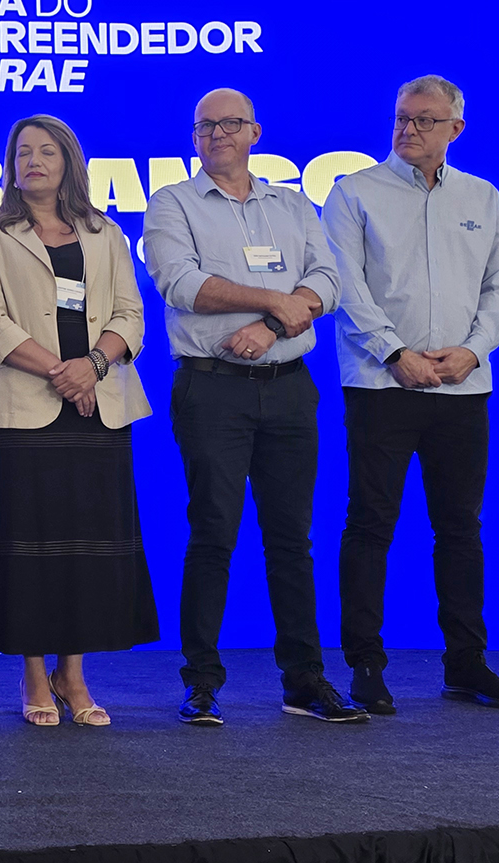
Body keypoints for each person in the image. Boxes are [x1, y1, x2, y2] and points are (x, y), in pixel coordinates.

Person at [143, 87, 366, 726]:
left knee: (292, 539)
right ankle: (201, 683)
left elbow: (329, 282)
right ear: (194, 137)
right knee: (213, 533)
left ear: (254, 132)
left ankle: (305, 680)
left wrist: (270, 327)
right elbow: (181, 284)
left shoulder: (292, 205)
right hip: (212, 387)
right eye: (205, 126)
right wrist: (275, 301)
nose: (217, 135)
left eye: (230, 124)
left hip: (289, 385)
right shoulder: (173, 203)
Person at [323, 76, 499, 714]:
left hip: (464, 386)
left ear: (455, 129)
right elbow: (344, 284)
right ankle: (365, 664)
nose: (408, 129)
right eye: (402, 118)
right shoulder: (354, 192)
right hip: (381, 385)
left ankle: (466, 663)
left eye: (424, 120)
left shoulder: (482, 195)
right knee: (370, 525)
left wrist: (474, 350)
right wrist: (395, 353)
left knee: (461, 529)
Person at [0, 115, 155, 727]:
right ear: (11, 165)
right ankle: (34, 675)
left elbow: (131, 315)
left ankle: (73, 675)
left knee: (86, 549)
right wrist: (63, 374)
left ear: (69, 162)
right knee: (30, 548)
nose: (33, 161)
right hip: (20, 411)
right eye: (23, 152)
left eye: (46, 151)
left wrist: (91, 367)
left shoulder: (106, 233)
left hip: (100, 407)